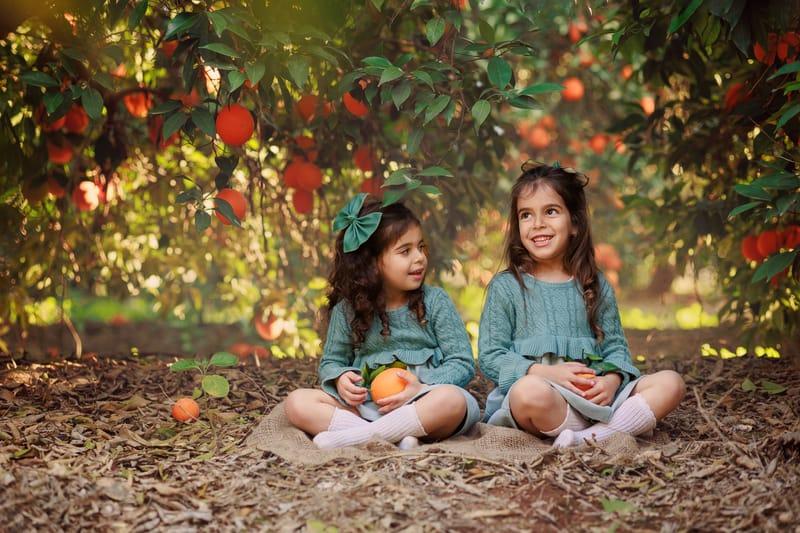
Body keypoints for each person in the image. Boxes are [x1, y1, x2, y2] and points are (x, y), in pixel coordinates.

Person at [478, 161, 685, 448]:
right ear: (517, 225)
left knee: (671, 382)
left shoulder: (594, 283)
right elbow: (490, 356)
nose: (538, 223)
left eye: (550, 211)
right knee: (527, 392)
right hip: (543, 398)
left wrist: (612, 380)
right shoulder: (507, 287)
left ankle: (588, 437)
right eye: (526, 215)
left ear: (574, 223)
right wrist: (545, 373)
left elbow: (615, 348)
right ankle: (610, 428)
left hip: (593, 394)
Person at [284, 193, 480, 449]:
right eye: (405, 251)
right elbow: (332, 361)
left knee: (453, 400)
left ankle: (361, 437)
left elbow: (462, 362)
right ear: (372, 264)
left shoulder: (434, 301)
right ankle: (392, 436)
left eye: (421, 246)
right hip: (368, 407)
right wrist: (340, 378)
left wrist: (423, 385)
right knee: (297, 402)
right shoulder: (348, 310)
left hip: (423, 402)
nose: (419, 257)